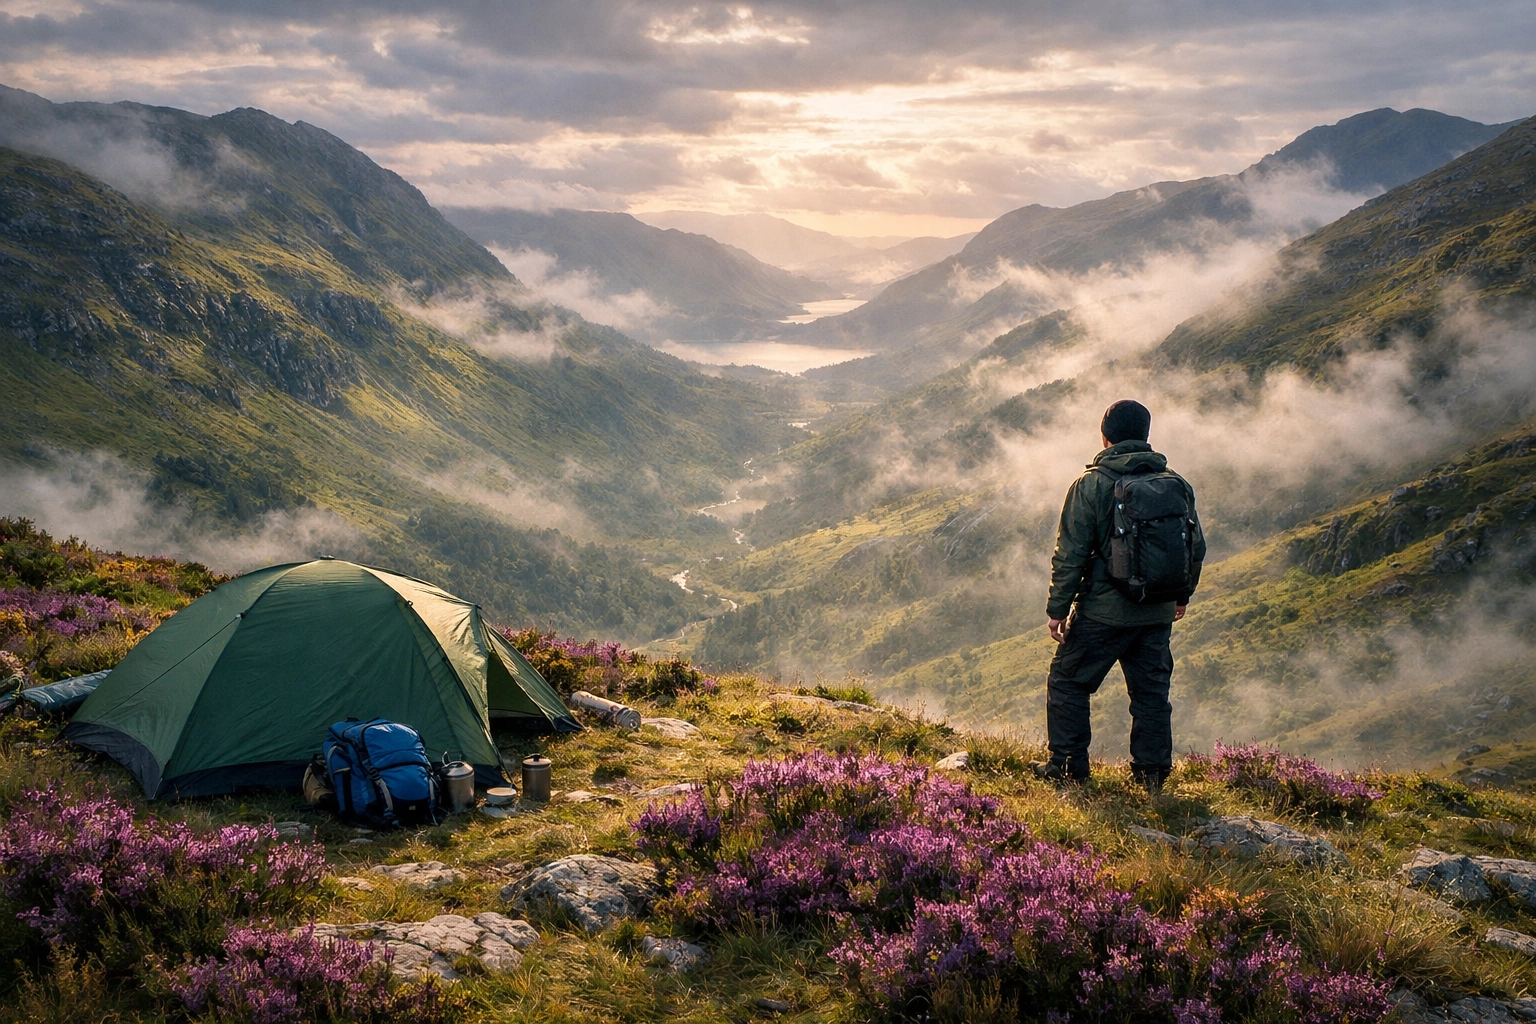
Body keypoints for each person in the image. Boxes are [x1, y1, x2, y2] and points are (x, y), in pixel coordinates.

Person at [1030, 399, 1205, 790]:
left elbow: (1070, 553)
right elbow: (1195, 546)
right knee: (1151, 696)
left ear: (1105, 437)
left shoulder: (1091, 485)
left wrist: (1057, 610)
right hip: (1157, 610)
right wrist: (1181, 596)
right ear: (1145, 435)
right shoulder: (1175, 483)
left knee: (1068, 681)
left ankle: (1068, 767)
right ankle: (1152, 777)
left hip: (1104, 613)